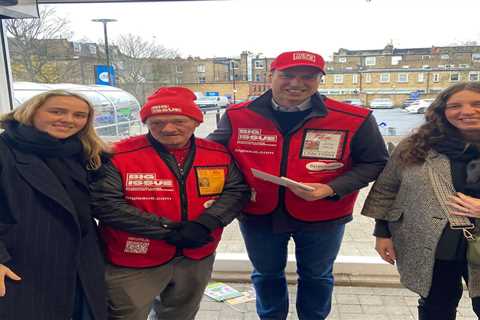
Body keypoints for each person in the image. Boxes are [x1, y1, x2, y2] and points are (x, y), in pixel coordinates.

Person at [208, 50, 389, 320]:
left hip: (323, 214)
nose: (297, 83)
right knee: (266, 275)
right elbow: (209, 152)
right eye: (288, 75)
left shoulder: (354, 118)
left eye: (308, 76)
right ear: (271, 76)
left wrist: (330, 188)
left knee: (317, 276)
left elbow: (375, 163)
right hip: (258, 213)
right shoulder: (237, 115)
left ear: (320, 80)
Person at [90, 86, 250, 320]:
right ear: (146, 123)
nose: (168, 128)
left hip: (196, 255)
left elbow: (236, 191)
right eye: (157, 122)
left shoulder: (218, 154)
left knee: (180, 315)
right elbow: (105, 204)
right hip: (133, 258)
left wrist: (205, 223)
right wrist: (167, 230)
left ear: (196, 121)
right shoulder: (119, 155)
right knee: (125, 316)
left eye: (178, 120)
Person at [361, 82, 480, 320]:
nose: (466, 111)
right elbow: (387, 189)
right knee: (436, 307)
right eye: (455, 105)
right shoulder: (417, 145)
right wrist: (382, 233)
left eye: (476, 104)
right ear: (442, 111)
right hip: (434, 244)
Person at [0, 90, 108, 320]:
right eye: (57, 111)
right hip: (22, 262)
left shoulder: (85, 152)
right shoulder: (5, 150)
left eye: (79, 115)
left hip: (82, 261)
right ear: (31, 112)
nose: (68, 120)